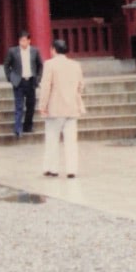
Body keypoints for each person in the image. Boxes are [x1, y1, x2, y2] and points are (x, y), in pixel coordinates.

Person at [37, 38, 85, 178]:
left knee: (52, 138)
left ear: (54, 49)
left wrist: (42, 105)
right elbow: (81, 85)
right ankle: (72, 169)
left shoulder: (49, 64)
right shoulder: (75, 65)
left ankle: (52, 168)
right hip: (72, 106)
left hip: (55, 107)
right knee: (71, 140)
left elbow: (46, 87)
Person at [3, 30, 44, 138]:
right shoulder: (13, 51)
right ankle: (17, 128)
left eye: (25, 40)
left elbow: (40, 65)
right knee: (19, 106)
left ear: (29, 41)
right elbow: (6, 65)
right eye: (21, 40)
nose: (23, 43)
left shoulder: (35, 51)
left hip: (30, 80)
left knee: (30, 105)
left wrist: (38, 78)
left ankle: (28, 126)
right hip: (19, 81)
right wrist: (10, 77)